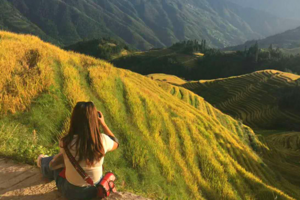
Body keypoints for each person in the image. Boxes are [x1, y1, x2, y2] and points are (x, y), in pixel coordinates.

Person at [36, 102, 119, 200]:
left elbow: (60, 162)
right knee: (61, 160)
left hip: (72, 193)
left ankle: (42, 162)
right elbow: (116, 142)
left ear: (74, 119)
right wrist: (103, 124)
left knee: (56, 163)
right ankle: (44, 162)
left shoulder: (65, 142)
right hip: (95, 190)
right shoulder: (102, 140)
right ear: (94, 120)